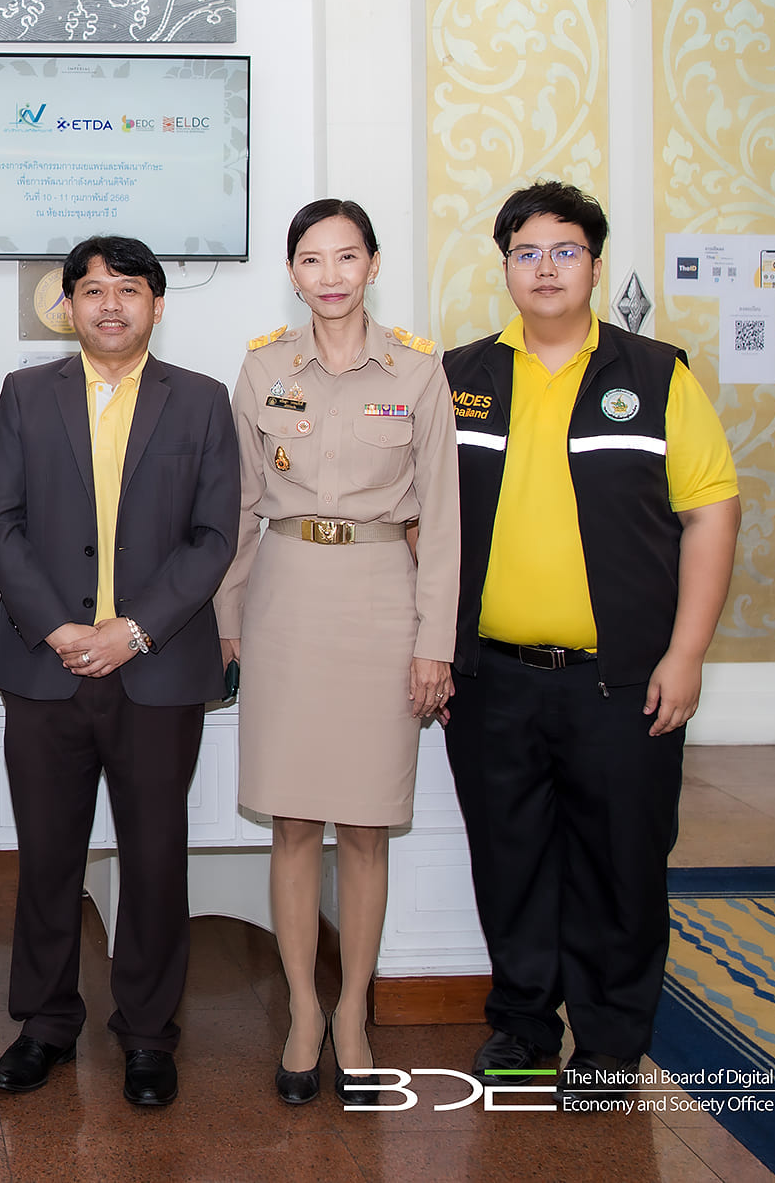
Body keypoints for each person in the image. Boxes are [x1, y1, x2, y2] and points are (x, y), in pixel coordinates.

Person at [443, 181, 739, 1102]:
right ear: (505, 269)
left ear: (596, 266)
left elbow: (712, 512)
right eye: (526, 253)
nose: (546, 268)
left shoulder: (655, 375)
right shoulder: (459, 378)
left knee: (622, 865)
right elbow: (420, 515)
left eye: (564, 251)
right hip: (491, 678)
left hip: (622, 681)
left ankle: (610, 1043)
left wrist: (686, 653)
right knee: (510, 859)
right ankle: (524, 1025)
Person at [0, 235, 239, 1106]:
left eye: (129, 289)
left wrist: (136, 629)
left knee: (156, 856)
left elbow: (214, 536)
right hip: (46, 666)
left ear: (157, 305)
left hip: (155, 670)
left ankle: (149, 1032)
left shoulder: (201, 400)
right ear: (70, 307)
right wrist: (56, 626)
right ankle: (45, 1022)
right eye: (93, 290)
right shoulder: (25, 394)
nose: (111, 304)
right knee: (47, 855)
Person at [213, 199, 460, 1106]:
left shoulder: (418, 371)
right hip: (285, 598)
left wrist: (436, 641)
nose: (330, 275)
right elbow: (241, 505)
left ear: (372, 264)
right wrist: (228, 619)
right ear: (293, 272)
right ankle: (302, 1010)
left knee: (363, 825)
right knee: (290, 822)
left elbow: (444, 519)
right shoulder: (263, 367)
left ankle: (352, 1010)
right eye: (312, 259)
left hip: (382, 599)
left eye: (346, 256)